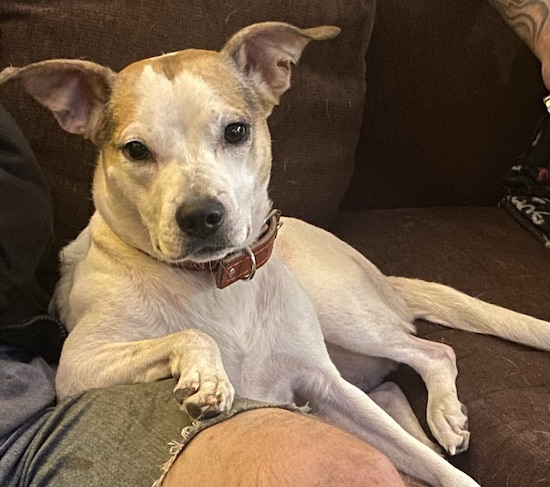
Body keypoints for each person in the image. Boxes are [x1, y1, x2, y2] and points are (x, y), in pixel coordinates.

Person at [1, 1, 549, 485]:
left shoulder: (270, 258)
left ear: (272, 73)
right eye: (141, 152)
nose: (199, 203)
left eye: (232, 134)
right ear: (78, 113)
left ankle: (423, 367)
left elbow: (327, 386)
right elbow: (76, 375)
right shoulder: (110, 279)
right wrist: (184, 346)